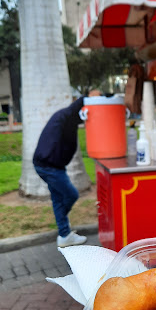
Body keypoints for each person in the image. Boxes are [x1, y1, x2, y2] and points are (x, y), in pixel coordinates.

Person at [33, 90, 100, 247]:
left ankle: (64, 235)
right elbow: (75, 107)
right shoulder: (66, 115)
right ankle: (61, 222)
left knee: (57, 199)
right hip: (48, 166)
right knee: (71, 195)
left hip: (52, 165)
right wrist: (89, 98)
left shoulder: (68, 120)